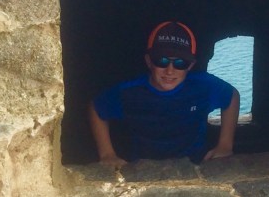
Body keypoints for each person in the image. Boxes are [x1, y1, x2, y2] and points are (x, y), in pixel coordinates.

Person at [88, 21, 240, 166]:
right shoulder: (130, 92)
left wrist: (225, 145)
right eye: (162, 61)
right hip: (144, 167)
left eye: (180, 63)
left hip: (194, 164)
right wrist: (107, 154)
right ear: (149, 61)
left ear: (190, 65)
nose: (170, 70)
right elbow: (96, 108)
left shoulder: (203, 86)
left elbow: (232, 96)